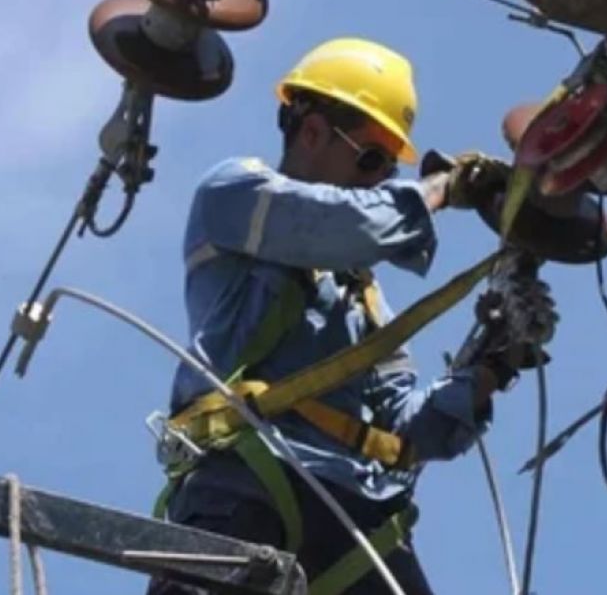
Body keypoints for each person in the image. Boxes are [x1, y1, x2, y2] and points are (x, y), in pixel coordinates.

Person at [147, 37, 538, 595]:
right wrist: (440, 191)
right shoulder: (236, 194)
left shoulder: (361, 298)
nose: (380, 179)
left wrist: (492, 367)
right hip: (248, 477)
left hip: (348, 508)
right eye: (372, 158)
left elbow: (405, 427)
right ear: (311, 131)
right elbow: (339, 226)